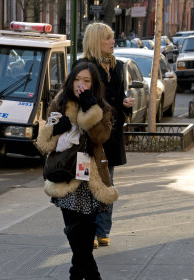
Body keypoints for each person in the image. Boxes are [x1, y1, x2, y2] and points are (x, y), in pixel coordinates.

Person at [37, 62, 119, 280]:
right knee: (74, 231)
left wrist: (91, 112)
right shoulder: (59, 103)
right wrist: (57, 130)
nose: (81, 85)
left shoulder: (101, 107)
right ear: (70, 80)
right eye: (77, 80)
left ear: (93, 85)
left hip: (91, 176)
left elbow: (101, 137)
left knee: (86, 232)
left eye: (87, 81)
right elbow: (44, 144)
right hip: (65, 176)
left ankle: (75, 276)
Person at [73, 22, 134, 249]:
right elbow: (76, 101)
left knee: (107, 182)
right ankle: (87, 232)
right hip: (88, 136)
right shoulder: (83, 68)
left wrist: (125, 103)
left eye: (112, 37)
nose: (113, 42)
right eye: (108, 38)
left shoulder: (117, 67)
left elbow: (119, 97)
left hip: (111, 134)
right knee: (86, 183)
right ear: (96, 41)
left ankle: (102, 231)